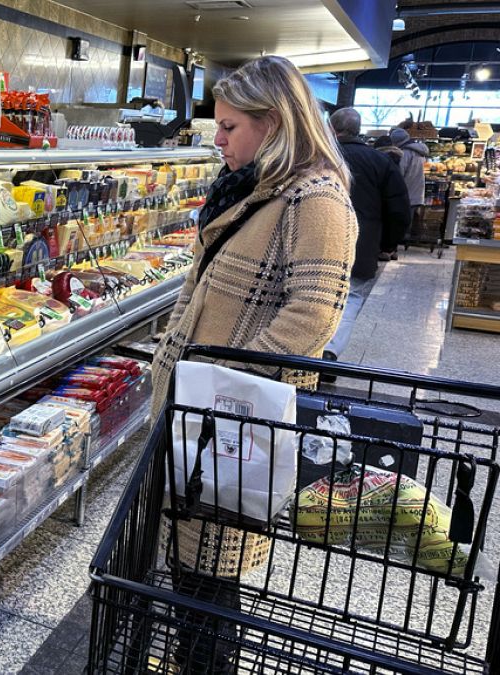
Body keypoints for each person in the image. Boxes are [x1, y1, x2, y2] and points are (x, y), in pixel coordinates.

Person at [149, 55, 357, 674]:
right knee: (195, 571)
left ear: (276, 124)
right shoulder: (258, 190)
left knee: (211, 575)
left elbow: (311, 318)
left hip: (231, 423)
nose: (218, 142)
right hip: (203, 415)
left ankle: (206, 666)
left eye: (230, 128)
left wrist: (226, 388)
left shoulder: (314, 200)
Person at [323, 108, 411, 366]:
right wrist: (387, 245)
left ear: (332, 129)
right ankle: (329, 353)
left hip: (319, 239)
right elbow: (399, 210)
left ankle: (302, 354)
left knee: (313, 293)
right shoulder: (380, 162)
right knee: (351, 298)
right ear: (358, 130)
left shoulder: (320, 156)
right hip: (362, 244)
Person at [391, 126, 430, 252]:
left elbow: (399, 173)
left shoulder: (405, 153)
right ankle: (404, 240)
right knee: (409, 218)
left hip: (406, 192)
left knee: (400, 221)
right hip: (417, 191)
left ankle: (396, 243)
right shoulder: (420, 152)